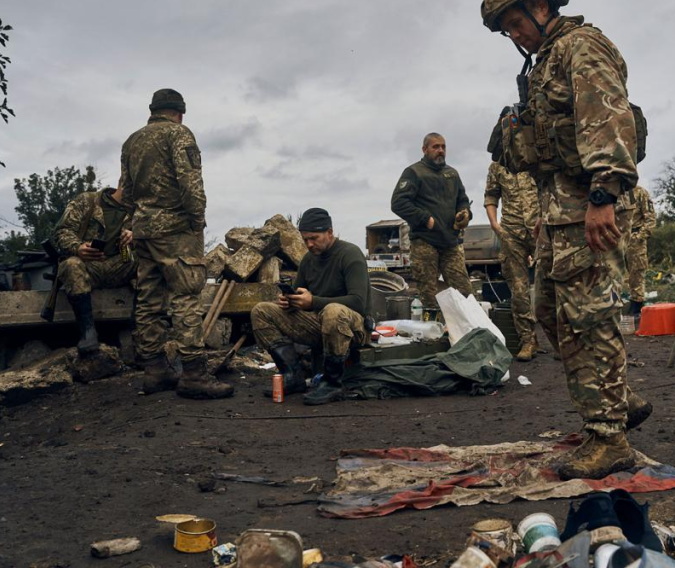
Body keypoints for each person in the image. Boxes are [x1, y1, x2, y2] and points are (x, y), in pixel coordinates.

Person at [481, 0, 651, 480]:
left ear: (541, 5)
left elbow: (608, 120)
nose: (515, 35)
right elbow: (546, 152)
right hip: (558, 212)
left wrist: (603, 195)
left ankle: (609, 436)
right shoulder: (545, 63)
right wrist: (541, 221)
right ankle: (617, 399)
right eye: (507, 29)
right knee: (549, 313)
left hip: (589, 205)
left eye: (516, 23)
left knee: (590, 318)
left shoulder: (582, 47)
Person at [120, 88, 233, 399]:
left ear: (152, 110)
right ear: (179, 112)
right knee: (186, 297)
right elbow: (191, 183)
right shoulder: (179, 134)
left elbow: (126, 192)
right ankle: (195, 374)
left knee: (149, 301)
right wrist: (197, 221)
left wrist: (135, 222)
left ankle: (155, 370)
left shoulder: (132, 141)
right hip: (176, 230)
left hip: (143, 230)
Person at [249, 208, 371, 405]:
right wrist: (289, 302)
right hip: (319, 324)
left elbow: (358, 302)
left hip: (354, 329)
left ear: (330, 232)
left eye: (314, 238)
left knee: (333, 311)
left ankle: (332, 383)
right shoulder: (308, 259)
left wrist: (313, 301)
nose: (309, 244)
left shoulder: (350, 254)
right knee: (262, 310)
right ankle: (293, 376)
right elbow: (300, 295)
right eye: (305, 239)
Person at [391, 133, 474, 307]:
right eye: (435, 147)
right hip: (425, 243)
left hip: (450, 242)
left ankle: (468, 331)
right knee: (429, 296)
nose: (440, 151)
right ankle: (433, 332)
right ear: (424, 149)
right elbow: (398, 203)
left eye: (443, 147)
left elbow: (462, 199)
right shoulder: (414, 172)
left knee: (465, 292)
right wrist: (424, 218)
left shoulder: (452, 173)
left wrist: (464, 213)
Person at [54, 184, 136, 357]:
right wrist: (78, 248)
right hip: (89, 267)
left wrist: (135, 236)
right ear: (123, 183)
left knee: (149, 263)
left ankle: (138, 328)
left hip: (120, 266)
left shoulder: (140, 211)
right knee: (71, 265)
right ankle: (88, 331)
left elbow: (156, 238)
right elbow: (62, 231)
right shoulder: (87, 201)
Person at [484, 160, 540, 361]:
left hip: (541, 228)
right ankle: (528, 340)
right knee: (518, 288)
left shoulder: (535, 156)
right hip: (511, 231)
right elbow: (491, 195)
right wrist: (494, 225)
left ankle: (562, 340)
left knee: (550, 284)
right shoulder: (497, 166)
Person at [625, 185, 657, 319]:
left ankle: (637, 308)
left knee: (636, 273)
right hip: (616, 237)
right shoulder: (614, 191)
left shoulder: (640, 192)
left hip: (634, 237)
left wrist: (640, 237)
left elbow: (650, 218)